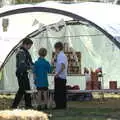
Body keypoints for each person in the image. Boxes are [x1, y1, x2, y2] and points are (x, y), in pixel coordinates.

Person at [11, 38, 33, 109]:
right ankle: (14, 105)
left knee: (27, 89)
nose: (30, 47)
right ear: (26, 44)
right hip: (21, 73)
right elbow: (22, 64)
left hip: (24, 73)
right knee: (22, 89)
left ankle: (28, 105)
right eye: (29, 46)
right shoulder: (22, 52)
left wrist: (33, 65)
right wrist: (30, 66)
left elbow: (28, 62)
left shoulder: (25, 51)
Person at [53, 42, 68, 109]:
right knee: (61, 93)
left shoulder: (61, 56)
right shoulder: (60, 55)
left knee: (59, 93)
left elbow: (63, 66)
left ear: (58, 48)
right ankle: (61, 106)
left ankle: (59, 106)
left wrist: (57, 74)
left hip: (60, 77)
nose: (55, 50)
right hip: (61, 77)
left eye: (55, 48)